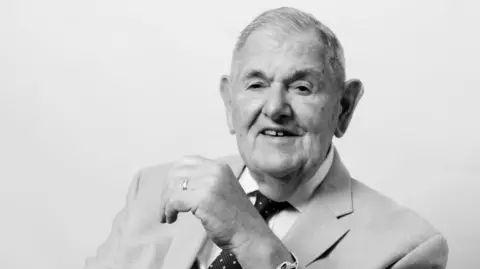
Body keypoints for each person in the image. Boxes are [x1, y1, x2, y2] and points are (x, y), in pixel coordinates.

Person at [85, 6, 449, 269]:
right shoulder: (152, 189)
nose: (275, 107)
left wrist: (248, 234)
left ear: (344, 107)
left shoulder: (408, 247)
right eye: (256, 84)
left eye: (302, 87)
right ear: (229, 102)